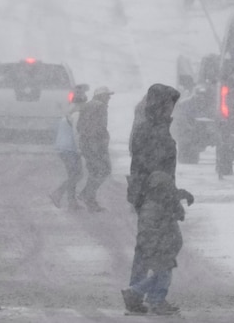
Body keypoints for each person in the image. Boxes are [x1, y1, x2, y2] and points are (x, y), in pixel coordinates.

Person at [123, 83, 181, 314]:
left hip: (148, 195)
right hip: (156, 197)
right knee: (167, 247)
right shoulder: (153, 130)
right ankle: (148, 295)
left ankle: (137, 294)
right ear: (160, 104)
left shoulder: (150, 127)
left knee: (146, 249)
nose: (171, 109)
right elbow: (157, 171)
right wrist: (173, 197)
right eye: (169, 104)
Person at [126, 170, 191, 316]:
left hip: (163, 246)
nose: (169, 191)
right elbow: (150, 229)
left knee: (162, 274)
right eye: (167, 188)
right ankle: (152, 299)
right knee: (163, 275)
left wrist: (183, 196)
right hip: (158, 246)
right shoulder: (153, 205)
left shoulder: (161, 200)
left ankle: (138, 294)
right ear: (159, 189)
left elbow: (177, 211)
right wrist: (156, 245)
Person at [49, 84, 88, 209]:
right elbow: (76, 133)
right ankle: (57, 193)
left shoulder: (70, 111)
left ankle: (72, 202)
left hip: (64, 147)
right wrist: (79, 149)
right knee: (77, 175)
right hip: (69, 149)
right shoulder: (77, 114)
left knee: (73, 174)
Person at [76, 86, 114, 211]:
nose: (109, 98)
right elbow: (99, 127)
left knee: (94, 171)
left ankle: (90, 201)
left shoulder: (87, 106)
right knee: (104, 170)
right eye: (107, 95)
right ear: (101, 96)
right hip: (96, 144)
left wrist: (85, 141)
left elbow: (79, 125)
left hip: (86, 143)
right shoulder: (100, 107)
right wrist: (97, 144)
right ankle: (87, 194)